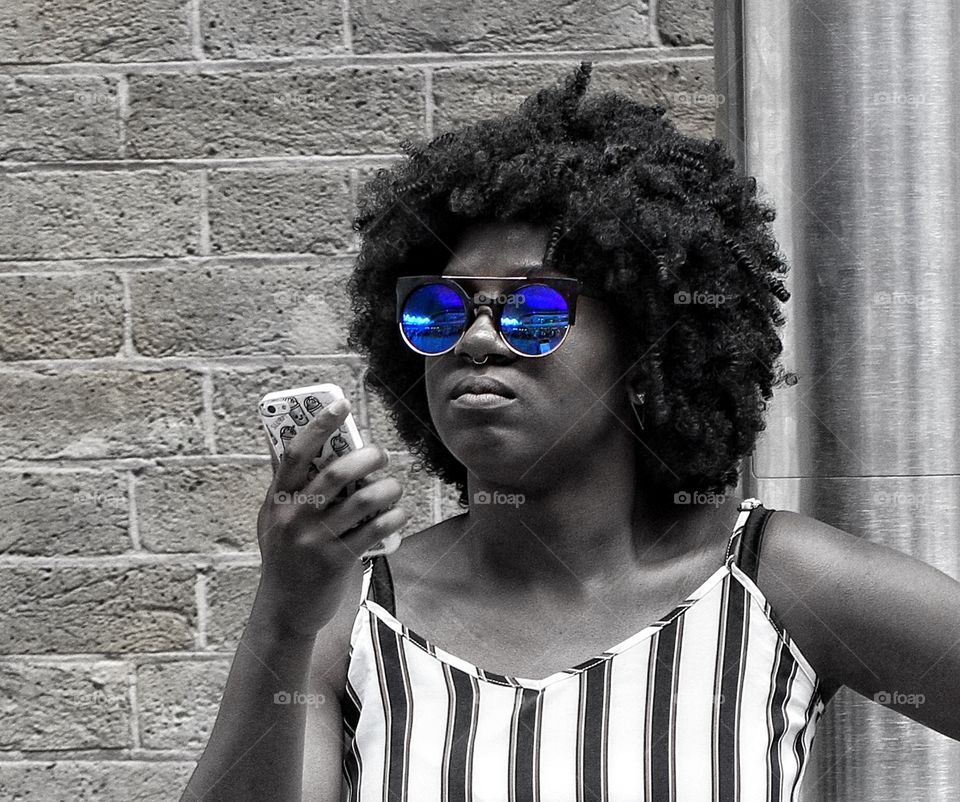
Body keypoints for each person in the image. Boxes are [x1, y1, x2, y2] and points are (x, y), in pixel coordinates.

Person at [182, 62, 960, 802]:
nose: (478, 340)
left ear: (646, 347)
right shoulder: (348, 619)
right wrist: (286, 608)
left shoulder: (773, 584)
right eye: (443, 311)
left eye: (534, 311)